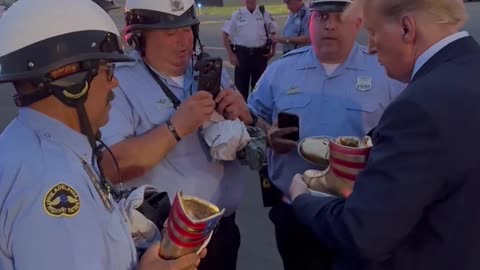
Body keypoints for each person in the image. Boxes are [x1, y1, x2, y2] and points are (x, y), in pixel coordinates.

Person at [0, 0, 207, 269]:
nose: (116, 82)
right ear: (69, 79)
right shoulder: (54, 185)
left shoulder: (30, 144)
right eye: (107, 71)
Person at [289, 0, 480, 269]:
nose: (370, 47)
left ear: (406, 28)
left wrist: (303, 200)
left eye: (374, 32)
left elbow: (363, 234)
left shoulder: (419, 106)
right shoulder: (468, 70)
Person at [247, 0, 405, 269]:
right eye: (321, 16)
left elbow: (406, 136)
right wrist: (267, 134)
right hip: (296, 209)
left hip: (359, 213)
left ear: (358, 23)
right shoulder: (280, 70)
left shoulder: (386, 73)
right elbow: (252, 119)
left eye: (339, 16)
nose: (329, 24)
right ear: (310, 21)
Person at [99, 0, 253, 269]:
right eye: (170, 33)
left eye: (187, 29)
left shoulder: (204, 68)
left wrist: (244, 114)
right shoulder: (119, 83)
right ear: (139, 37)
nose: (183, 41)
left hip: (223, 230)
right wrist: (176, 126)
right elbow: (113, 165)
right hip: (167, 245)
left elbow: (246, 132)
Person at [222, 0, 279, 100]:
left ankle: (255, 114)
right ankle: (242, 113)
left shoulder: (264, 14)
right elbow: (224, 34)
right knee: (240, 89)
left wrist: (273, 50)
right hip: (242, 56)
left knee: (259, 88)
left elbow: (273, 32)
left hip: (260, 56)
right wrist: (231, 55)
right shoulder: (237, 15)